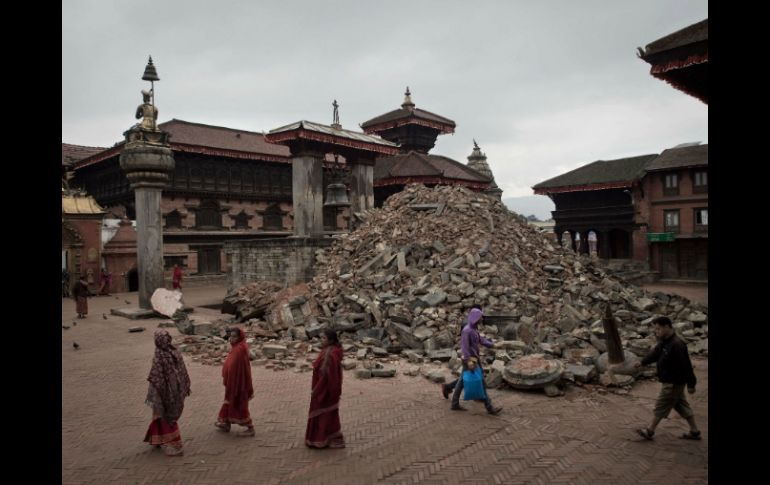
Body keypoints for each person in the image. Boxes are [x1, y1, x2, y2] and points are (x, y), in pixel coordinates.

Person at [635, 316, 701, 441]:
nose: (656, 332)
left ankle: (650, 431)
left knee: (661, 405)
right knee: (681, 405)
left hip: (673, 382)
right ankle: (694, 431)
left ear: (666, 327)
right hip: (672, 382)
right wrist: (643, 362)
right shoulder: (665, 341)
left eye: (658, 329)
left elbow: (686, 366)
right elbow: (655, 353)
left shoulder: (677, 345)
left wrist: (691, 384)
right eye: (655, 329)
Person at [442, 307, 502, 415]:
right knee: (481, 382)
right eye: (480, 317)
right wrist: (469, 361)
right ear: (475, 318)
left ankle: (452, 399)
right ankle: (489, 407)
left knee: (462, 382)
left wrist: (492, 344)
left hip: (475, 359)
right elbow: (465, 347)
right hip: (470, 360)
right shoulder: (467, 331)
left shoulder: (474, 330)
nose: (481, 319)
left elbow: (481, 340)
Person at [144, 330, 191, 456]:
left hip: (167, 393)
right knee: (161, 415)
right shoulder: (172, 352)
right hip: (169, 392)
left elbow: (156, 377)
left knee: (166, 416)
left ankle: (174, 445)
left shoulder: (161, 355)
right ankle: (158, 439)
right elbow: (160, 376)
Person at [305, 329, 345, 448]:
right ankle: (331, 438)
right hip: (328, 389)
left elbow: (326, 376)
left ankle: (321, 439)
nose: (321, 340)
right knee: (329, 413)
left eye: (324, 338)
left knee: (323, 413)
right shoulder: (330, 351)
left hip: (325, 390)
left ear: (331, 340)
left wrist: (317, 390)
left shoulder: (330, 355)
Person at [215, 327, 255, 437]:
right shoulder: (236, 347)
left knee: (240, 404)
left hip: (239, 384)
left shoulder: (240, 349)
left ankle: (250, 428)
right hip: (233, 383)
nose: (231, 339)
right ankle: (225, 423)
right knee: (229, 401)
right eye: (230, 336)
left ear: (239, 337)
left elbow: (239, 369)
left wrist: (234, 383)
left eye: (234, 337)